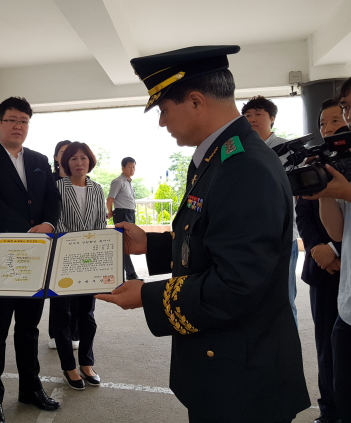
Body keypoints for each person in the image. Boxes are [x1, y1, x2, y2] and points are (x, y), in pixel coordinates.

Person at [97, 45, 310, 423]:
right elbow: (216, 237)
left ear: (195, 101)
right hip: (227, 361)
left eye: (163, 110)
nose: (162, 123)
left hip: (242, 377)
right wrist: (153, 244)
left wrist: (147, 295)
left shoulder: (244, 166)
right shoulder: (222, 155)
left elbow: (237, 284)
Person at [0, 97, 62, 423]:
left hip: (36, 258)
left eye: (23, 121)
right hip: (0, 259)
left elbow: (53, 198)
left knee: (29, 328)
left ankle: (30, 389)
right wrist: (29, 229)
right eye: (11, 120)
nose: (17, 126)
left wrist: (49, 225)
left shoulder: (39, 160)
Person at [304, 76, 351, 423]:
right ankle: (329, 410)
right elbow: (334, 227)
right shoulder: (324, 161)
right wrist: (325, 190)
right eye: (346, 107)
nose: (334, 125)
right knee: (331, 355)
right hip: (344, 301)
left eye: (342, 114)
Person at [296, 98, 345, 423]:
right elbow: (303, 212)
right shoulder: (312, 163)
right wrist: (317, 247)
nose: (328, 129)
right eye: (323, 124)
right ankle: (329, 410)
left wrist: (338, 250)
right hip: (323, 269)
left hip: (345, 266)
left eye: (337, 123)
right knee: (327, 344)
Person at [242, 96, 300, 326]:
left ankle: (288, 354)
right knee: (253, 298)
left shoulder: (288, 150)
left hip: (282, 235)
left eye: (258, 114)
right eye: (247, 116)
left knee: (285, 298)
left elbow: (297, 190)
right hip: (248, 237)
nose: (252, 119)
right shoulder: (240, 149)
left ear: (272, 118)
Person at [54, 142, 105, 391]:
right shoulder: (57, 187)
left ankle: (86, 362)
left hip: (91, 262)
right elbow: (56, 221)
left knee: (87, 314)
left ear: (90, 161)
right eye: (73, 158)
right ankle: (69, 366)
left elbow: (100, 224)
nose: (78, 162)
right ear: (66, 163)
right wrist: (76, 245)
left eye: (83, 157)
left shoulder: (97, 189)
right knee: (62, 315)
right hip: (63, 259)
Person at [48, 139, 80, 351]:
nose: (66, 156)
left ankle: (75, 332)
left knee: (78, 291)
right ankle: (55, 333)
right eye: (63, 152)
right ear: (57, 157)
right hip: (56, 244)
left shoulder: (82, 181)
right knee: (58, 293)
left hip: (79, 245)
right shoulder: (48, 181)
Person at [107, 157, 139, 280]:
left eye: (134, 167)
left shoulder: (129, 182)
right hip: (122, 214)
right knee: (124, 245)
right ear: (123, 168)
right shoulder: (118, 181)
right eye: (130, 167)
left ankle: (128, 273)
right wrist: (110, 212)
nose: (132, 170)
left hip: (130, 214)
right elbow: (110, 198)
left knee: (127, 244)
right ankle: (131, 274)